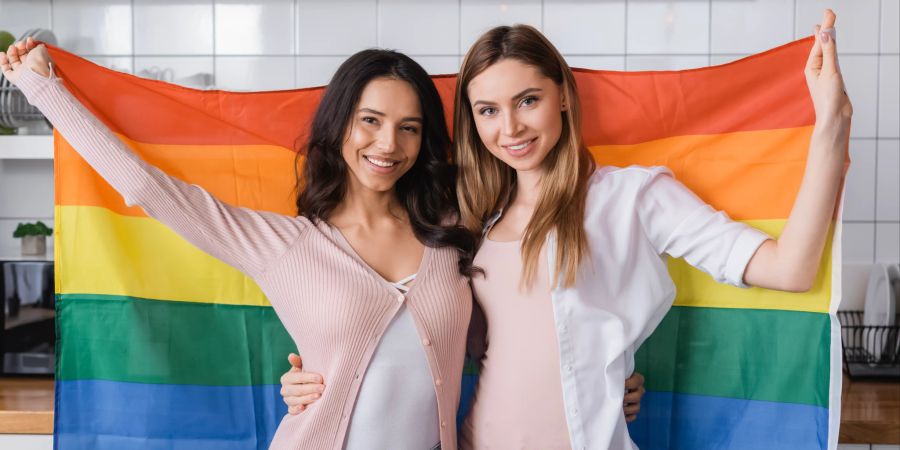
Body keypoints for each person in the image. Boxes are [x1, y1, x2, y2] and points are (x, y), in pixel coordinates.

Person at [2, 41, 478, 449]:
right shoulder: (284, 245)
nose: (388, 143)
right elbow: (148, 189)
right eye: (370, 120)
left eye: (409, 127)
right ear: (338, 128)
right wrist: (45, 89)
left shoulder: (456, 231)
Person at [452, 9, 849, 450]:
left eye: (528, 100)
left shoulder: (631, 198)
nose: (510, 128)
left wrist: (832, 123)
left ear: (562, 95)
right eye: (488, 110)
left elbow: (790, 269)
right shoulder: (475, 220)